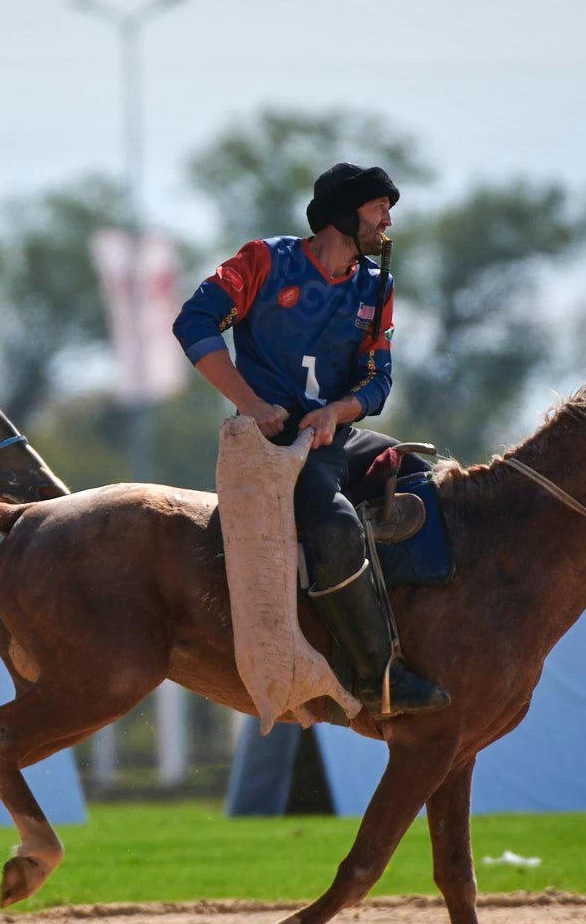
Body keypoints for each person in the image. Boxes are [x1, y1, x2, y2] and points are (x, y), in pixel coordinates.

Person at [173, 161, 450, 717]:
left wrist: (336, 414)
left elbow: (378, 381)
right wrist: (251, 405)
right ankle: (377, 678)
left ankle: (432, 641)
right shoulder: (264, 260)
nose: (388, 221)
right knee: (337, 526)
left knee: (429, 481)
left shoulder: (377, 288)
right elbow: (193, 323)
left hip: (336, 436)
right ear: (344, 214)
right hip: (277, 447)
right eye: (378, 208)